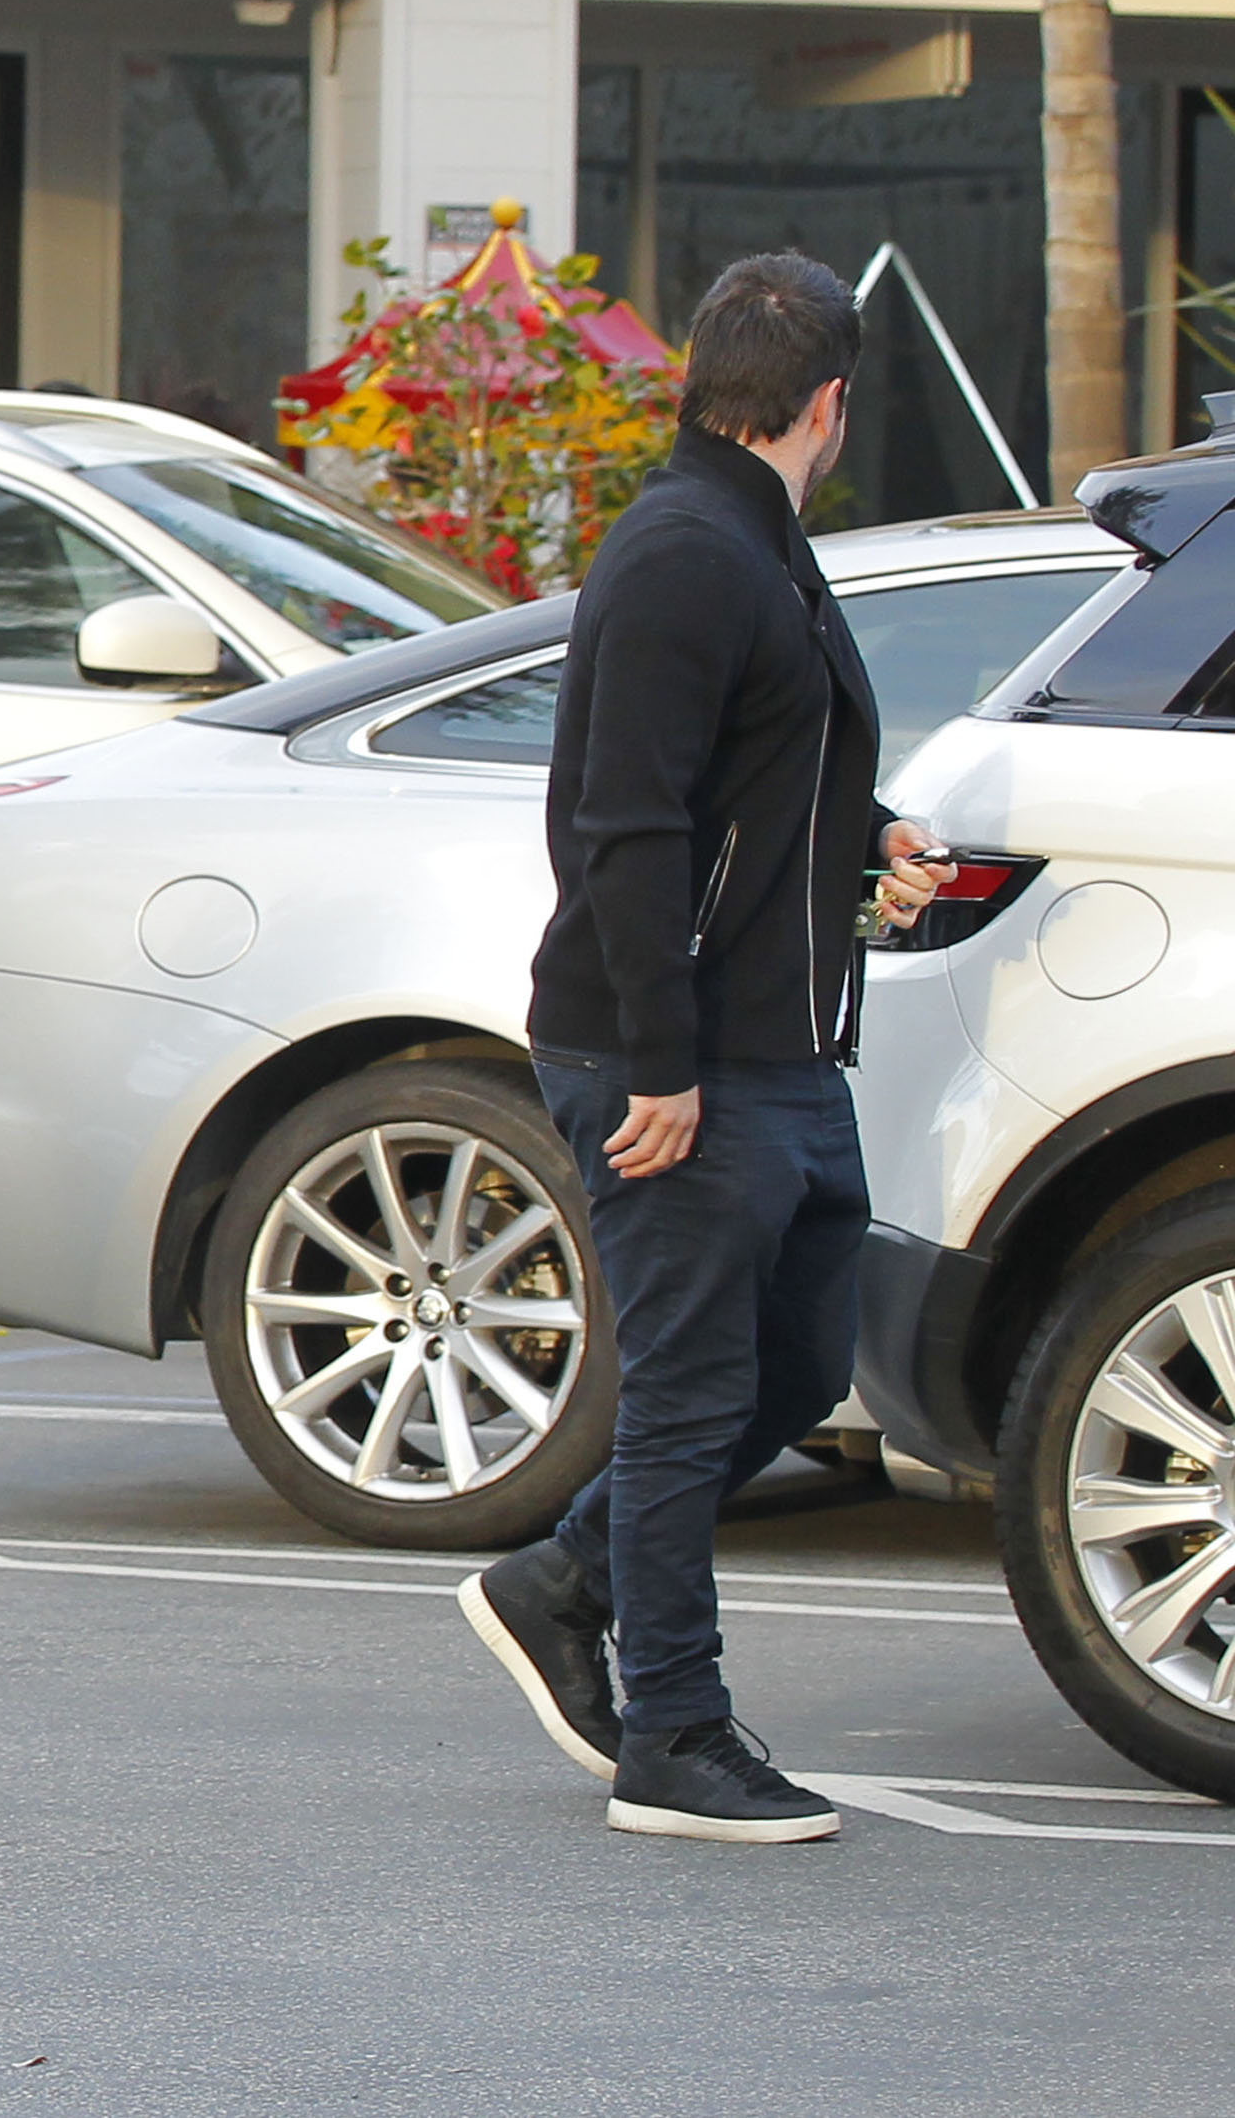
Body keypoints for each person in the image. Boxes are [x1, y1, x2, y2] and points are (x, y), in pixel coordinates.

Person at [457, 252, 951, 1842]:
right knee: (688, 1392)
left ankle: (565, 1577)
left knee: (804, 1362)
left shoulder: (753, 543)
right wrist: (659, 1061)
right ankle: (673, 1730)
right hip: (683, 1061)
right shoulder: (688, 550)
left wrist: (872, 837)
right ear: (832, 401)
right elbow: (625, 823)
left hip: (784, 1053)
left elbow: (747, 777)